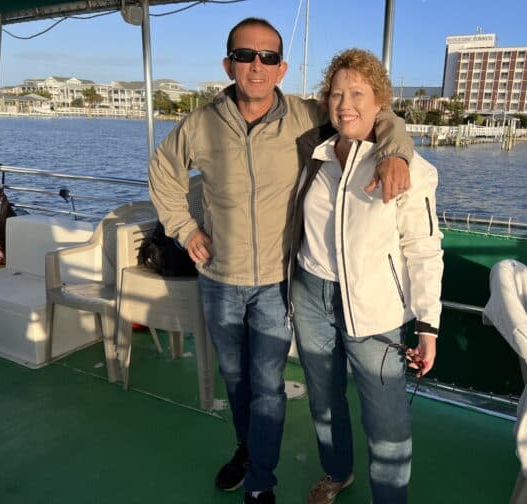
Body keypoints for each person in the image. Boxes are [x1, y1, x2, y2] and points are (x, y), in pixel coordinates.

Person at [148, 19, 415, 504]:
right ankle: (248, 450)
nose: (257, 65)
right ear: (228, 63)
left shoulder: (304, 116)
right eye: (246, 55)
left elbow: (374, 114)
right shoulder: (201, 122)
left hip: (276, 281)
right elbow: (162, 171)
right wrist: (186, 231)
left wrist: (395, 152)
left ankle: (260, 482)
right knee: (237, 382)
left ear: (282, 68)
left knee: (268, 385)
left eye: (268, 57)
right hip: (219, 280)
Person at [288, 48, 444, 504]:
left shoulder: (408, 167)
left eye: (357, 93)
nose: (345, 104)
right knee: (323, 398)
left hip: (374, 307)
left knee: (387, 420)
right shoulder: (313, 151)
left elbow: (424, 249)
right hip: (312, 292)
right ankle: (337, 472)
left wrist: (428, 325)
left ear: (381, 103)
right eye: (336, 93)